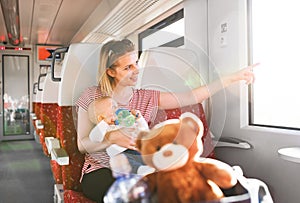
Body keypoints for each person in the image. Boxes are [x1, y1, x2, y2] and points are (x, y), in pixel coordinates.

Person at [76, 38, 258, 202]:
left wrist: (231, 78)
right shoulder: (91, 96)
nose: (136, 71)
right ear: (111, 72)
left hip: (141, 166)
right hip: (101, 169)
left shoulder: (147, 97)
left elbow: (191, 96)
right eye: (127, 67)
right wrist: (110, 138)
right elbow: (82, 145)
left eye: (136, 64)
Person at [87, 96, 154, 175]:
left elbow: (144, 131)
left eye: (117, 106)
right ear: (101, 118)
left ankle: (154, 168)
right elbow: (95, 138)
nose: (118, 109)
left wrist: (139, 119)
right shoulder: (105, 128)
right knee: (126, 162)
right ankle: (140, 170)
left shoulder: (125, 123)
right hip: (120, 154)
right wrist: (104, 123)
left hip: (136, 150)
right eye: (113, 107)